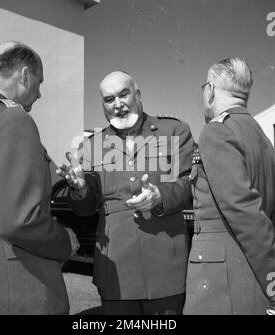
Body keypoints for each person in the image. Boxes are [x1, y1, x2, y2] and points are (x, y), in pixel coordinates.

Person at [57, 71, 195, 315]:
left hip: (166, 267)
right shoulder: (91, 146)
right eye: (109, 99)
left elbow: (187, 186)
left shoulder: (173, 131)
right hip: (116, 270)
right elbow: (85, 209)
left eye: (124, 94)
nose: (118, 104)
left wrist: (159, 196)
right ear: (103, 105)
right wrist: (80, 189)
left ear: (138, 95)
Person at [0, 41, 78, 314]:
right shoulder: (12, 119)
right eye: (39, 82)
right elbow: (19, 221)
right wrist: (65, 240)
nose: (40, 94)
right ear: (24, 75)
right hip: (16, 285)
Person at [183, 57, 275, 315]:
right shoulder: (260, 136)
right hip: (249, 276)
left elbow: (243, 210)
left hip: (221, 284)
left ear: (210, 89)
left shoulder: (217, 131)